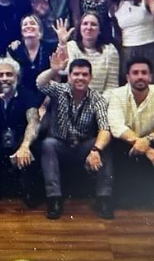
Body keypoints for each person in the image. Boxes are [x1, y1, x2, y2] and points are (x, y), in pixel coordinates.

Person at [37, 56, 114, 220]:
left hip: (83, 147)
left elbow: (105, 129)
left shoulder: (97, 99)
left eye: (84, 74)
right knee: (48, 144)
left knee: (103, 144)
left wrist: (95, 150)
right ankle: (54, 199)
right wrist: (54, 70)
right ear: (69, 76)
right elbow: (40, 83)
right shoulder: (60, 90)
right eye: (76, 74)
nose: (80, 78)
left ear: (90, 78)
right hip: (60, 145)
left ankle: (104, 198)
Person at [107, 58, 154, 208]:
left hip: (152, 140)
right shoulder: (117, 95)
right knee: (116, 144)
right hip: (127, 144)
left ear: (150, 76)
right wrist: (146, 147)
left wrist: (147, 141)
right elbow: (117, 126)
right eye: (135, 73)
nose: (140, 76)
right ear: (128, 77)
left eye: (144, 73)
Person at [0, 57, 43, 207]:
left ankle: (29, 191)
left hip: (19, 144)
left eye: (9, 74)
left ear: (17, 77)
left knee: (33, 141)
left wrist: (25, 146)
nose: (5, 78)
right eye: (0, 75)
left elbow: (33, 121)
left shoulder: (26, 94)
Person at [58, 12, 120, 95]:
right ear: (80, 28)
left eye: (93, 24)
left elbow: (112, 87)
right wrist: (62, 44)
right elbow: (63, 71)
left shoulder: (110, 50)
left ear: (100, 30)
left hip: (100, 100)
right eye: (85, 24)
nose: (89, 27)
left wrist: (97, 102)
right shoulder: (71, 46)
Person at [8, 14, 58, 104]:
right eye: (25, 24)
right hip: (21, 100)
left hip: (47, 98)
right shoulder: (14, 50)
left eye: (32, 23)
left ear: (40, 30)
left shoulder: (51, 48)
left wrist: (46, 103)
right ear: (21, 31)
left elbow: (56, 77)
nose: (28, 26)